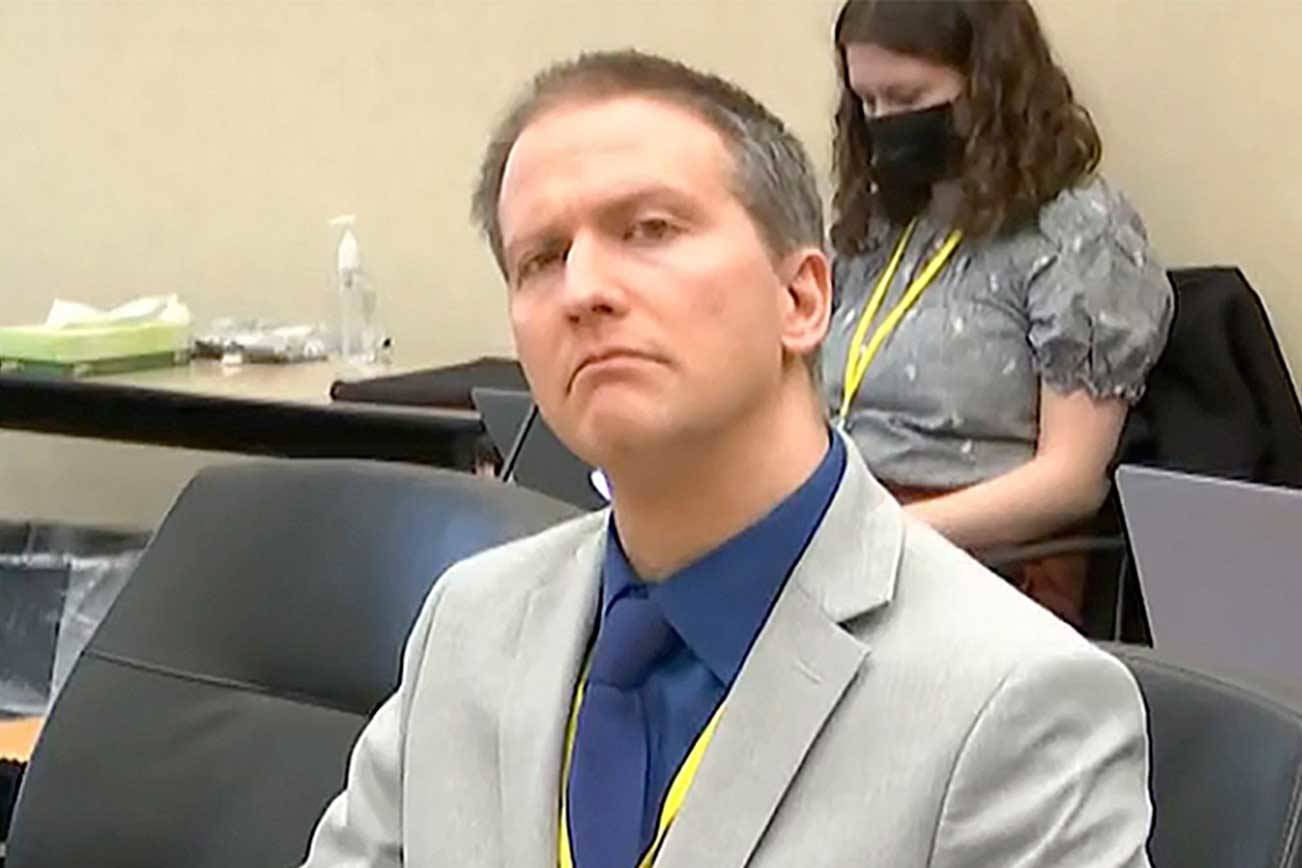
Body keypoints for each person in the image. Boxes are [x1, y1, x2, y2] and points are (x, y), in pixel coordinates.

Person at [301, 50, 1152, 867]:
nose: (584, 289)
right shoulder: (468, 623)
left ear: (801, 298)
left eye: (649, 229)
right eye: (541, 259)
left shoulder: (1014, 700)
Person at [825, 0, 1174, 627]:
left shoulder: (1077, 232)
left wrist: (884, 536)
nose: (885, 124)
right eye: (869, 104)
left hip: (985, 560)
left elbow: (1071, 482)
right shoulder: (881, 226)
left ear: (988, 89)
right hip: (847, 527)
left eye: (906, 99)